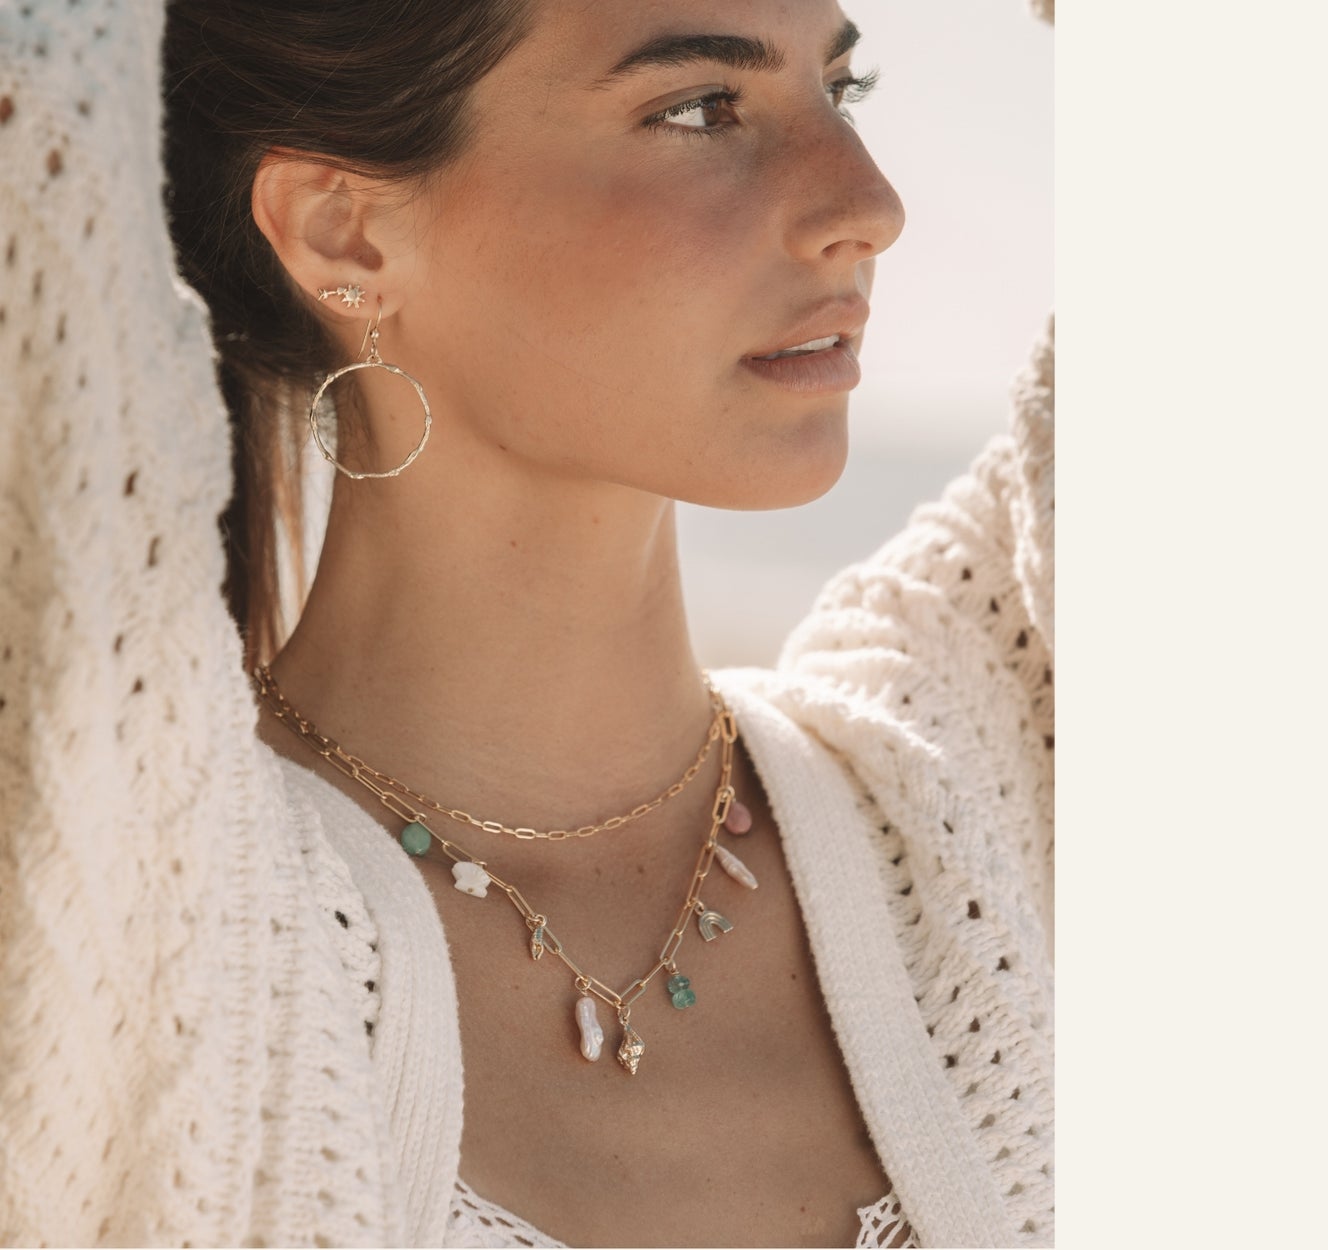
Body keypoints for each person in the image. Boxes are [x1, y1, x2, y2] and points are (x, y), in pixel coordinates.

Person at [0, 1, 1051, 1246]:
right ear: (346, 229)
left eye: (843, 91)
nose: (866, 203)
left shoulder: (972, 770)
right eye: (701, 108)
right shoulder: (129, 908)